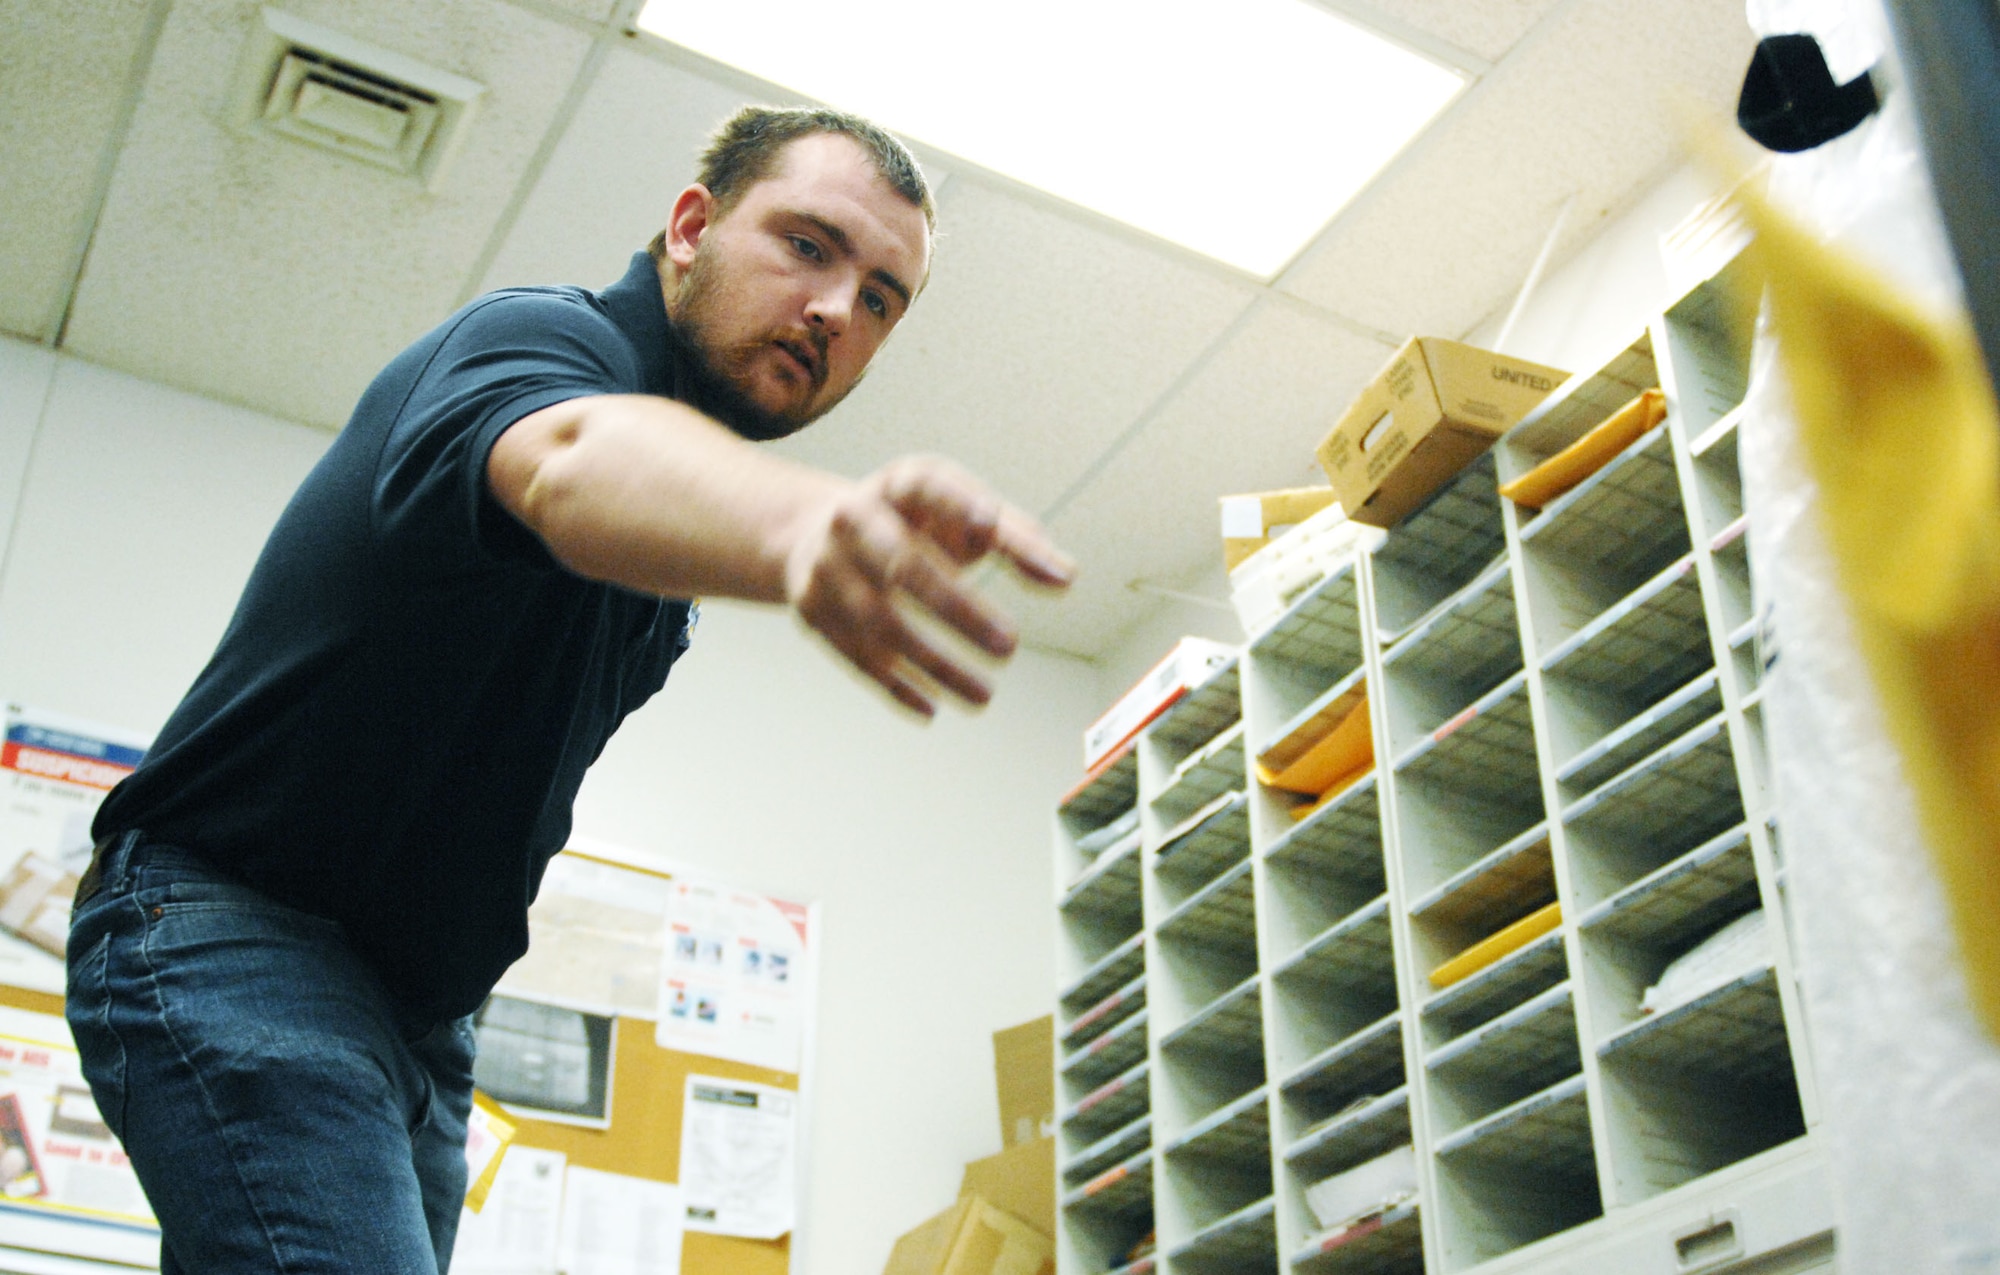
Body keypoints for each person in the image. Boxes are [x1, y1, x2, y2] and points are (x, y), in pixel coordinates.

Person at [63, 104, 1072, 1274]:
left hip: (421, 1029)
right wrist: (805, 524)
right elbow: (569, 459)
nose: (838, 310)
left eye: (882, 299)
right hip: (241, 926)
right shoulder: (539, 342)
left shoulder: (668, 548)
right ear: (690, 226)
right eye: (807, 246)